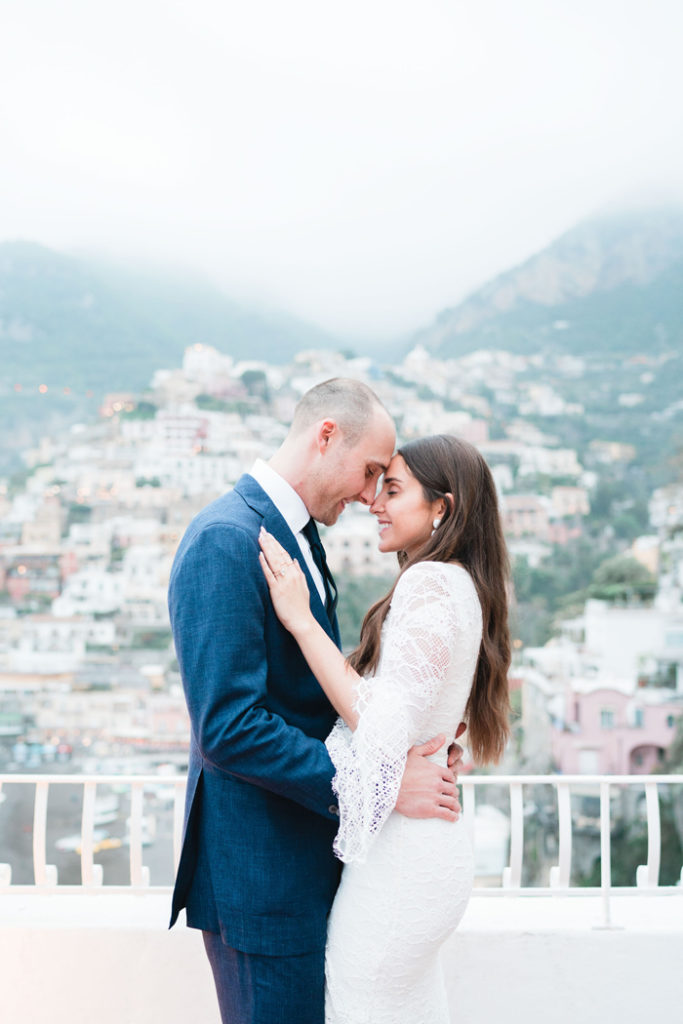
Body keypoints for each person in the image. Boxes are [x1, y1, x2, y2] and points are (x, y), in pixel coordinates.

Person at [168, 380, 463, 1024]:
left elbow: (312, 701)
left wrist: (405, 746)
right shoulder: (225, 538)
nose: (367, 497)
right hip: (261, 881)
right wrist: (377, 785)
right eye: (369, 474)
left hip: (303, 870)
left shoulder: (298, 537)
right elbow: (229, 727)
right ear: (326, 435)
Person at [258, 433, 511, 1024]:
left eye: (392, 489)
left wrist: (300, 621)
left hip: (404, 863)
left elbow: (378, 725)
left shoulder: (430, 583)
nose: (374, 499)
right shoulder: (461, 584)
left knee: (360, 1005)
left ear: (441, 507)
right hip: (423, 855)